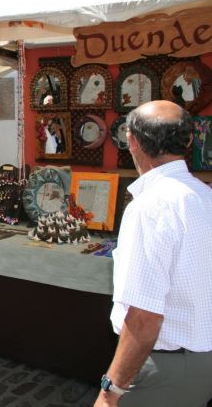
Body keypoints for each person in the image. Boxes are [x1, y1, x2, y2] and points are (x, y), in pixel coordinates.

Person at [94, 100, 212, 407]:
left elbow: (144, 318)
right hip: (200, 360)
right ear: (188, 140)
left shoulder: (149, 208)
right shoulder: (206, 197)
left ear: (132, 141)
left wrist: (110, 392)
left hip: (166, 363)